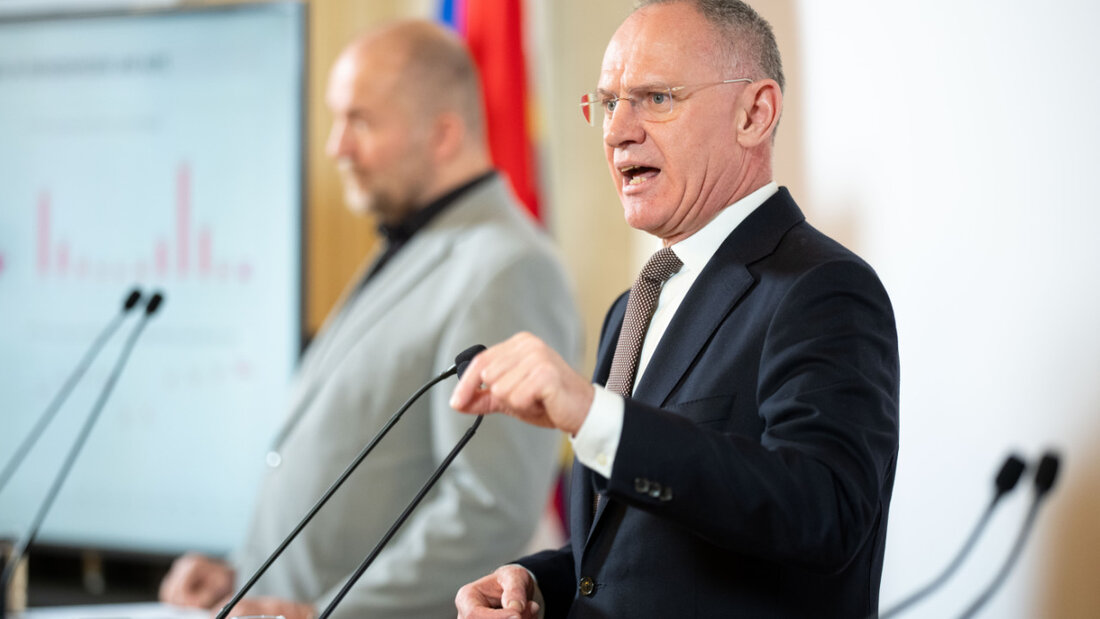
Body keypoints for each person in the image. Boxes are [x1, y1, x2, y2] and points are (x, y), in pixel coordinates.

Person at [451, 1, 900, 618]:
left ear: (754, 113)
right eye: (609, 102)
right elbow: (639, 551)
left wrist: (591, 414)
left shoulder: (822, 289)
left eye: (656, 98)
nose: (616, 131)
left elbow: (822, 514)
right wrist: (536, 584)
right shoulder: (634, 306)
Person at [158, 20, 582, 619]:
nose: (337, 147)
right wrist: (244, 573)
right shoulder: (417, 240)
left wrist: (322, 613)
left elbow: (489, 510)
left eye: (360, 120)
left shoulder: (507, 267)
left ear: (443, 134)